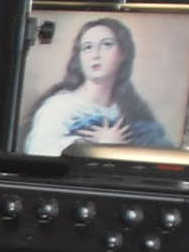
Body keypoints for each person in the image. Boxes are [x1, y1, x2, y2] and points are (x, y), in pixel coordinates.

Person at [23, 16, 171, 152]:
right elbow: (39, 153)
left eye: (106, 45)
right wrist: (99, 146)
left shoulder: (132, 110)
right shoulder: (59, 108)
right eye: (88, 47)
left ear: (123, 54)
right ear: (79, 58)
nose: (96, 55)